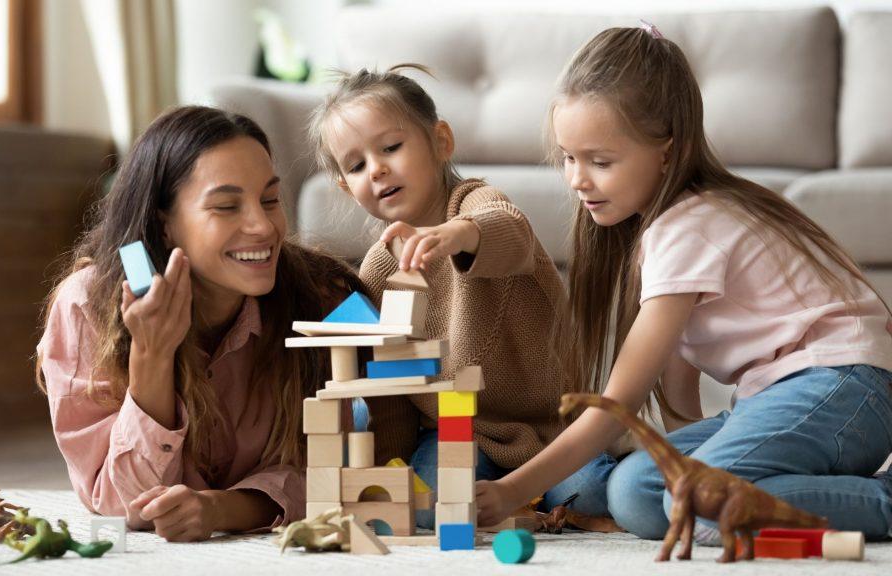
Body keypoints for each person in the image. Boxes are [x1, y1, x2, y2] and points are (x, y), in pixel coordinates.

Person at [475, 24, 892, 542]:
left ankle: (882, 502)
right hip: (794, 399)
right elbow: (676, 398)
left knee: (695, 500)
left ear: (668, 152)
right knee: (638, 494)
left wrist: (512, 490)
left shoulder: (687, 227)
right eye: (568, 157)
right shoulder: (662, 233)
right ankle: (812, 486)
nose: (577, 178)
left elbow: (616, 405)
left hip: (843, 387)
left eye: (600, 162)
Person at [36, 106, 362, 541]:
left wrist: (224, 508)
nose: (263, 226)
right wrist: (151, 355)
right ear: (163, 224)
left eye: (270, 199)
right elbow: (120, 504)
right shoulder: (87, 307)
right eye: (227, 206)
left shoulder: (324, 300)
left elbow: (347, 467)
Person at [309, 64, 577, 528]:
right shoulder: (379, 268)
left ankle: (538, 502)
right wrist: (388, 467)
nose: (377, 169)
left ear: (441, 142)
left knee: (591, 490)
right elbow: (391, 388)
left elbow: (510, 231)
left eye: (391, 147)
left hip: (555, 426)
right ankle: (523, 513)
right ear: (345, 187)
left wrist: (458, 235)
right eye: (356, 165)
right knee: (430, 501)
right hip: (458, 434)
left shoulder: (475, 203)